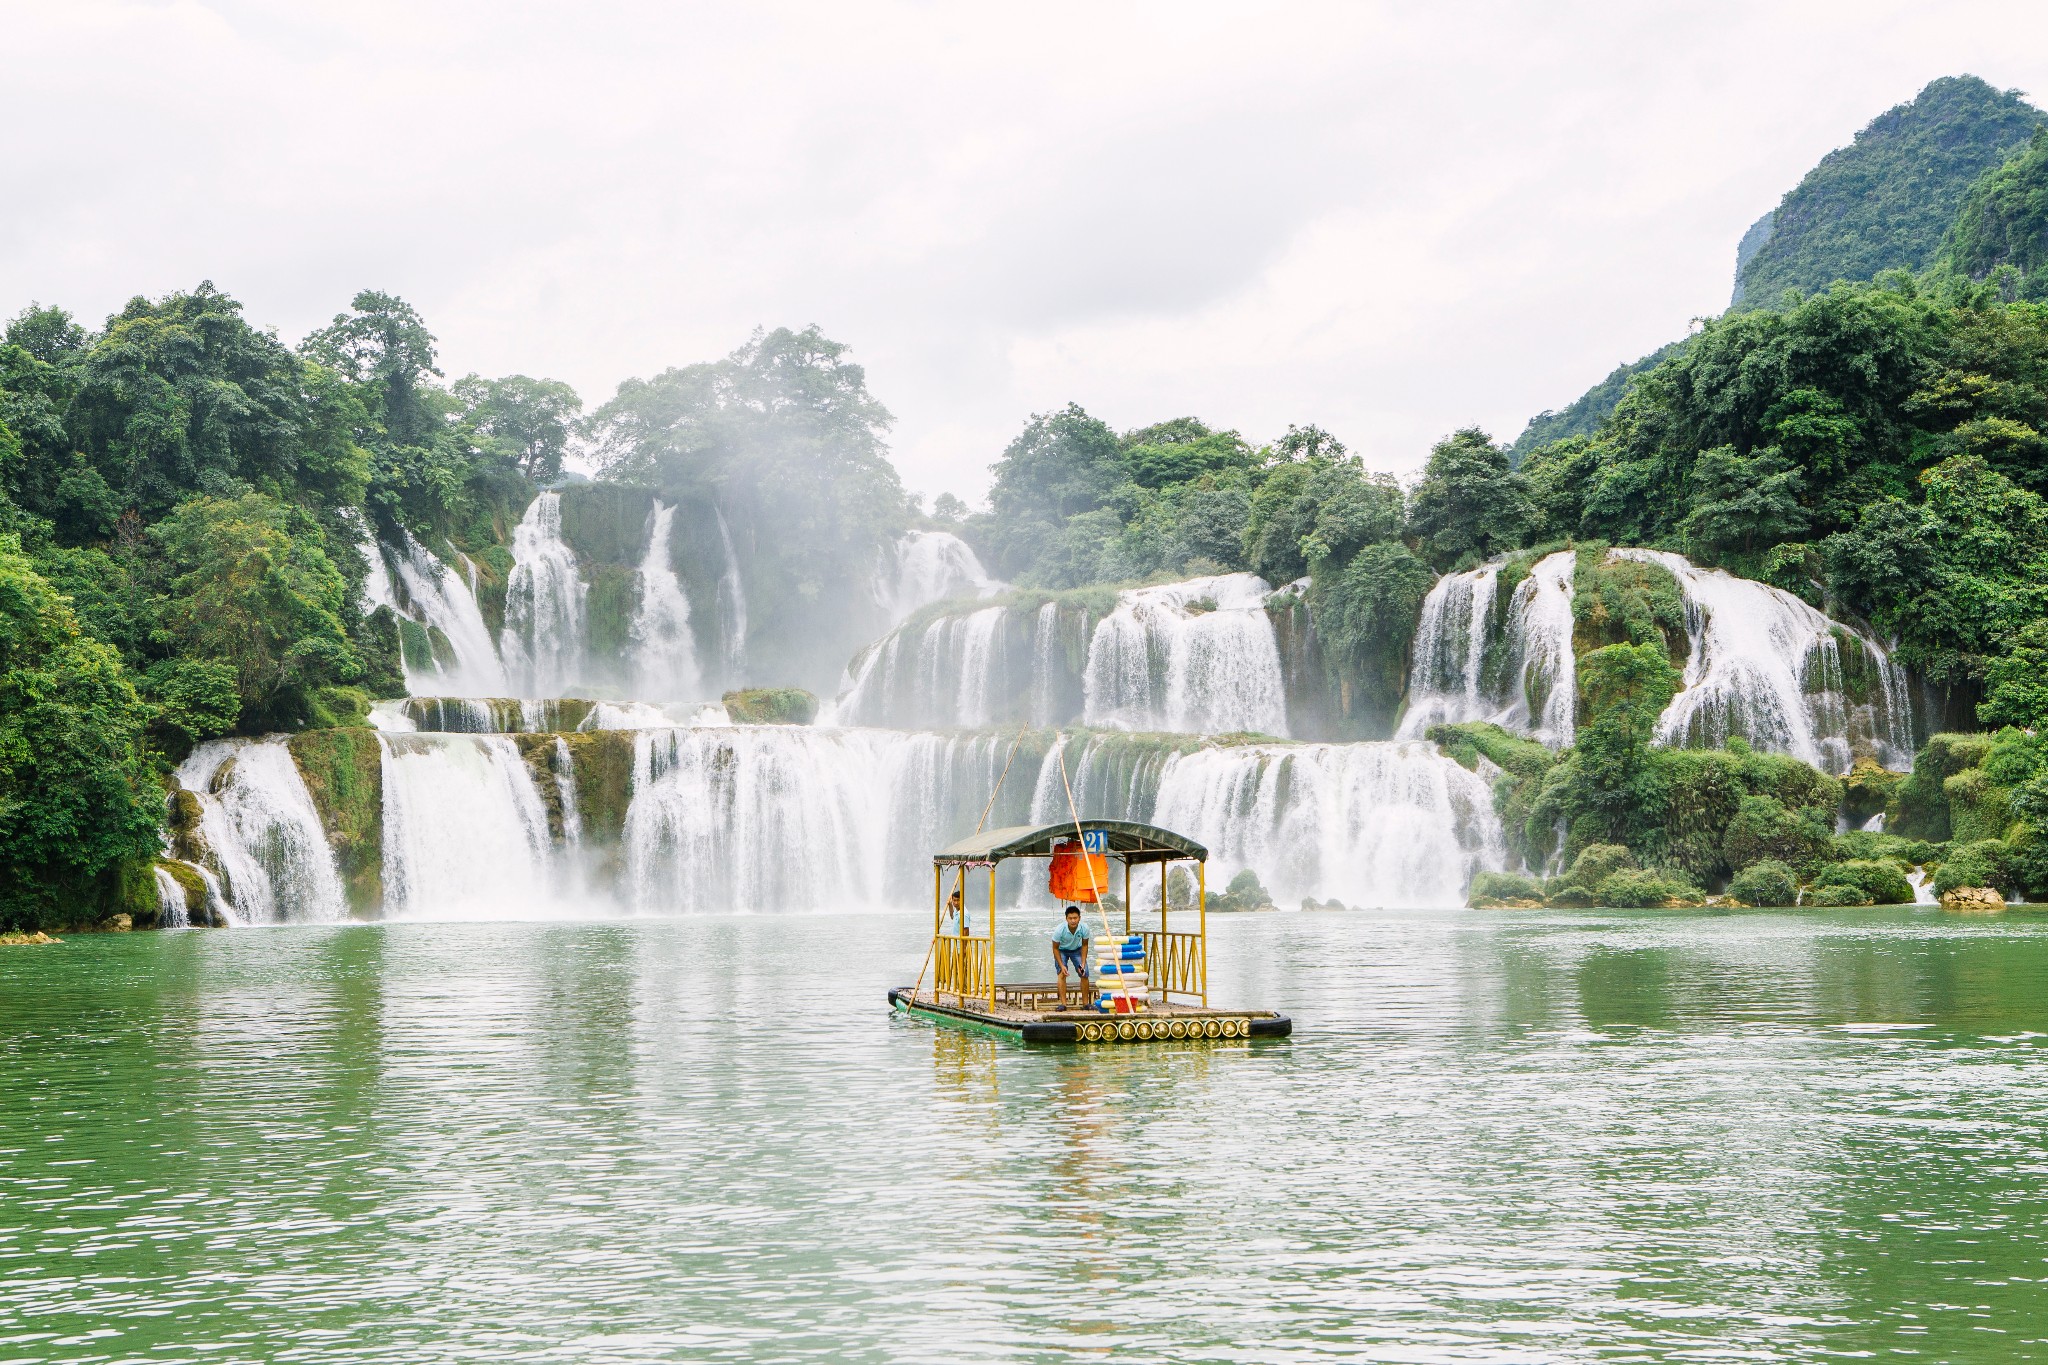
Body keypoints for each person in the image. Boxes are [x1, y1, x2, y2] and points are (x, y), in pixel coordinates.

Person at [1051, 905, 1092, 1009]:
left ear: (1079, 918)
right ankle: (1063, 1004)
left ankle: (1085, 1004)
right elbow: (1055, 948)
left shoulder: (1084, 928)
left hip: (1077, 949)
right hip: (1061, 950)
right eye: (1070, 918)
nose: (1073, 921)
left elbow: (1085, 945)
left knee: (1084, 973)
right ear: (1066, 919)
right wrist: (1061, 965)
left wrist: (1083, 963)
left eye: (1075, 918)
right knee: (1062, 973)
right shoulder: (1059, 930)